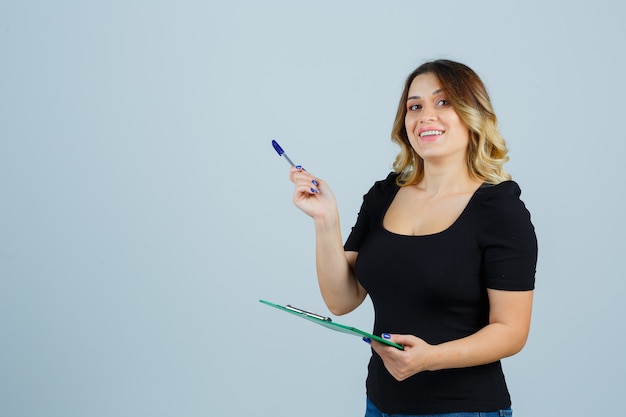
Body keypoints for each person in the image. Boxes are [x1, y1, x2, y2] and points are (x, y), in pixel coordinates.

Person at [288, 59, 537, 417]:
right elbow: (341, 300)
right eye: (415, 106)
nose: (425, 116)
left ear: (473, 114)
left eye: (443, 102)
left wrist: (431, 358)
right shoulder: (383, 196)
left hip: (463, 409)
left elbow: (512, 331)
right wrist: (325, 220)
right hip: (381, 404)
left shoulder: (500, 210)